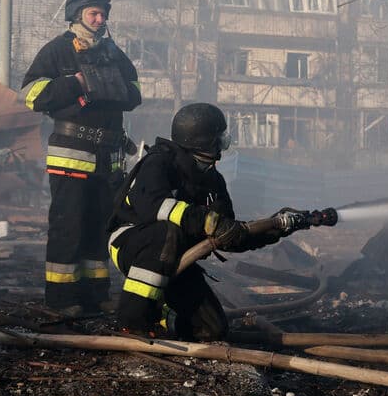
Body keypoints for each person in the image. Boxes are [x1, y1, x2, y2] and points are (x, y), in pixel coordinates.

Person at [107, 102, 281, 339]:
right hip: (132, 242)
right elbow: (154, 207)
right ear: (203, 141)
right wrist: (207, 221)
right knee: (168, 233)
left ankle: (162, 315)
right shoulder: (159, 163)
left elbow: (228, 235)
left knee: (212, 330)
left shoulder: (213, 180)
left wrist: (276, 228)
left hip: (178, 258)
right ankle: (132, 321)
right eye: (218, 138)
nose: (222, 144)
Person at [20, 0, 141, 316]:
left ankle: (95, 294)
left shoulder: (113, 53)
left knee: (99, 227)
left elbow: (135, 92)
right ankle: (61, 299)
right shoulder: (57, 51)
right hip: (71, 155)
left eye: (103, 13)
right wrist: (75, 83)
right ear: (77, 15)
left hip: (107, 158)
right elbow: (31, 95)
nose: (100, 19)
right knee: (68, 225)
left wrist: (115, 87)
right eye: (94, 13)